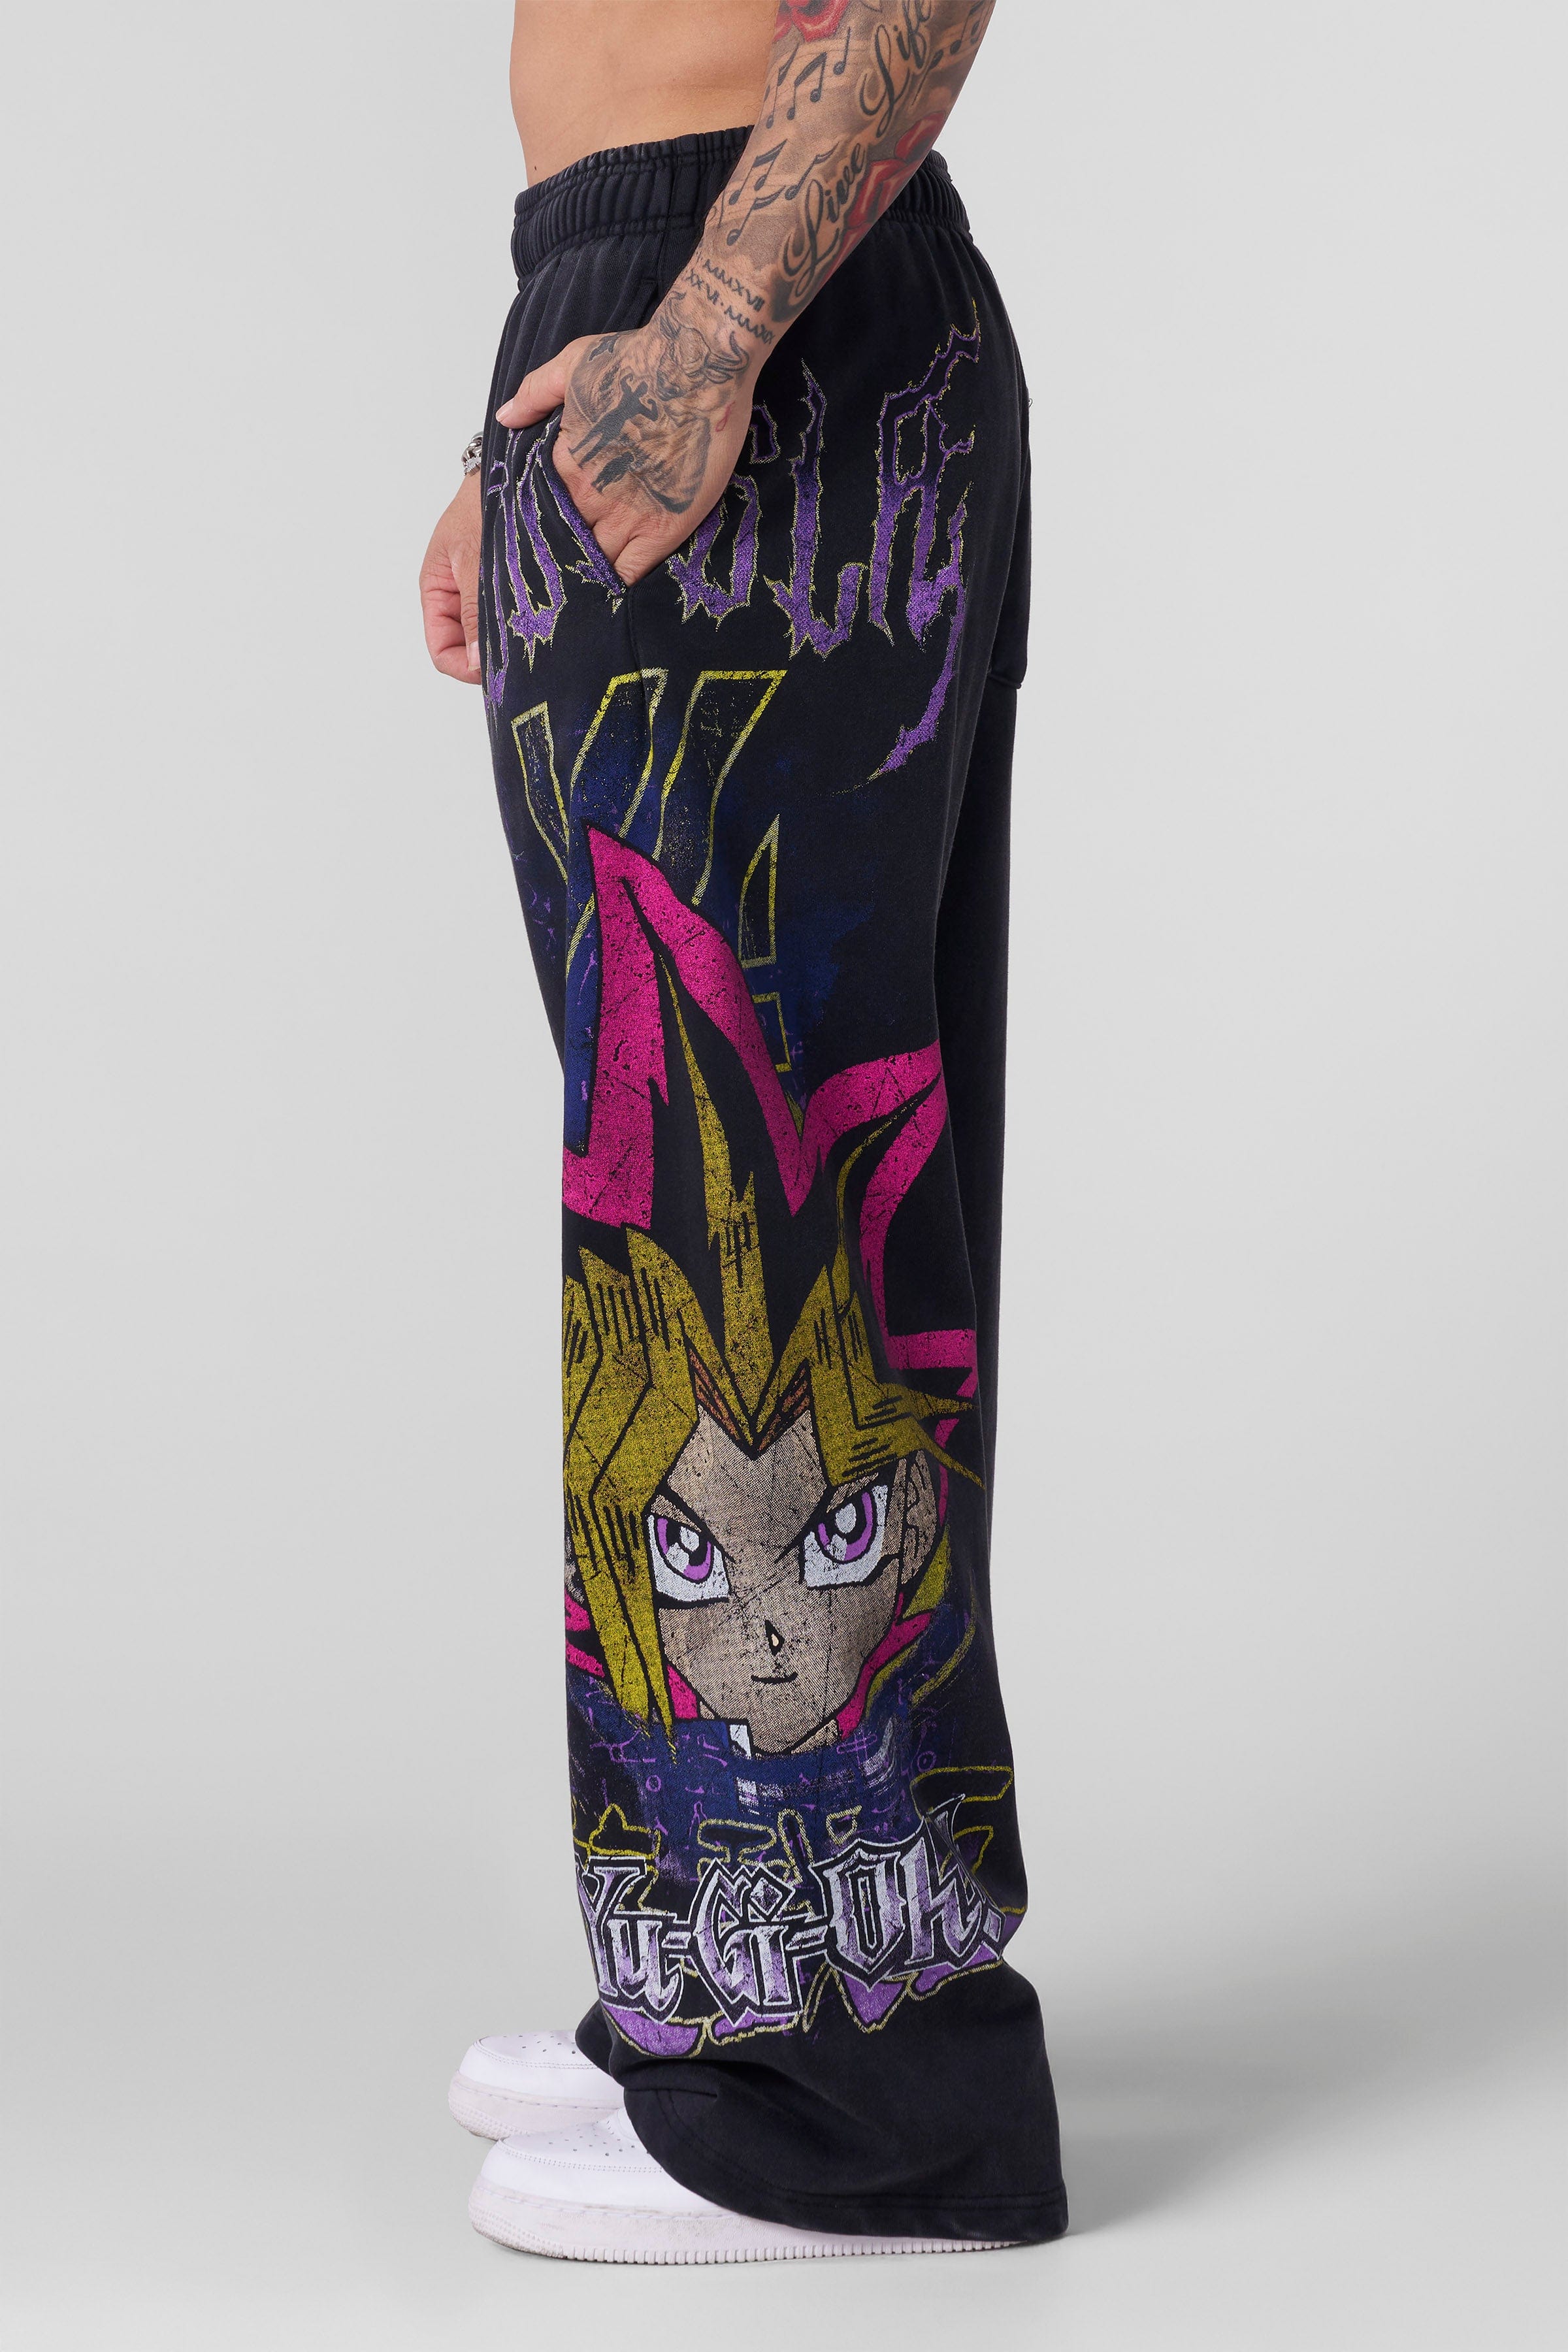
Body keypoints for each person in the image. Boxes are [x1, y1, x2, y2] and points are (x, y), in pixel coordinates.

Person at [419, 0, 1066, 2263]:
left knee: (758, 1250)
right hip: (656, 290)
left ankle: (862, 2099)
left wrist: (700, 334)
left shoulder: (731, 320)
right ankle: (737, 1973)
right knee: (700, 1239)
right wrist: (555, 400)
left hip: (757, 315)